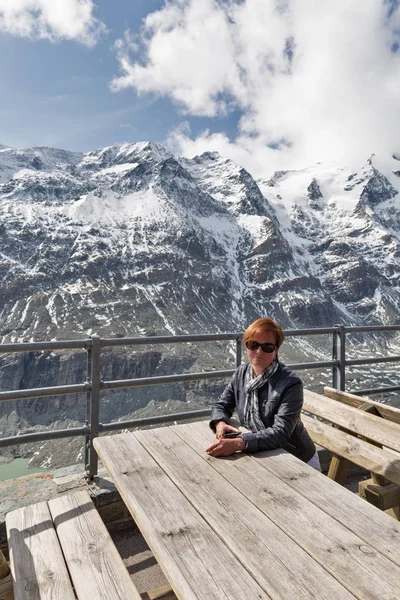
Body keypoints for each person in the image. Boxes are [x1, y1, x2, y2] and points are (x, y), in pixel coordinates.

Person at [206, 317, 321, 470]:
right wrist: (220, 423)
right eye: (253, 345)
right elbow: (222, 405)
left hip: (296, 459)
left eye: (267, 347)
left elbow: (280, 433)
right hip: (262, 455)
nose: (258, 351)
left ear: (276, 350)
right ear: (246, 345)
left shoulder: (290, 383)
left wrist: (239, 443)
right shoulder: (241, 373)